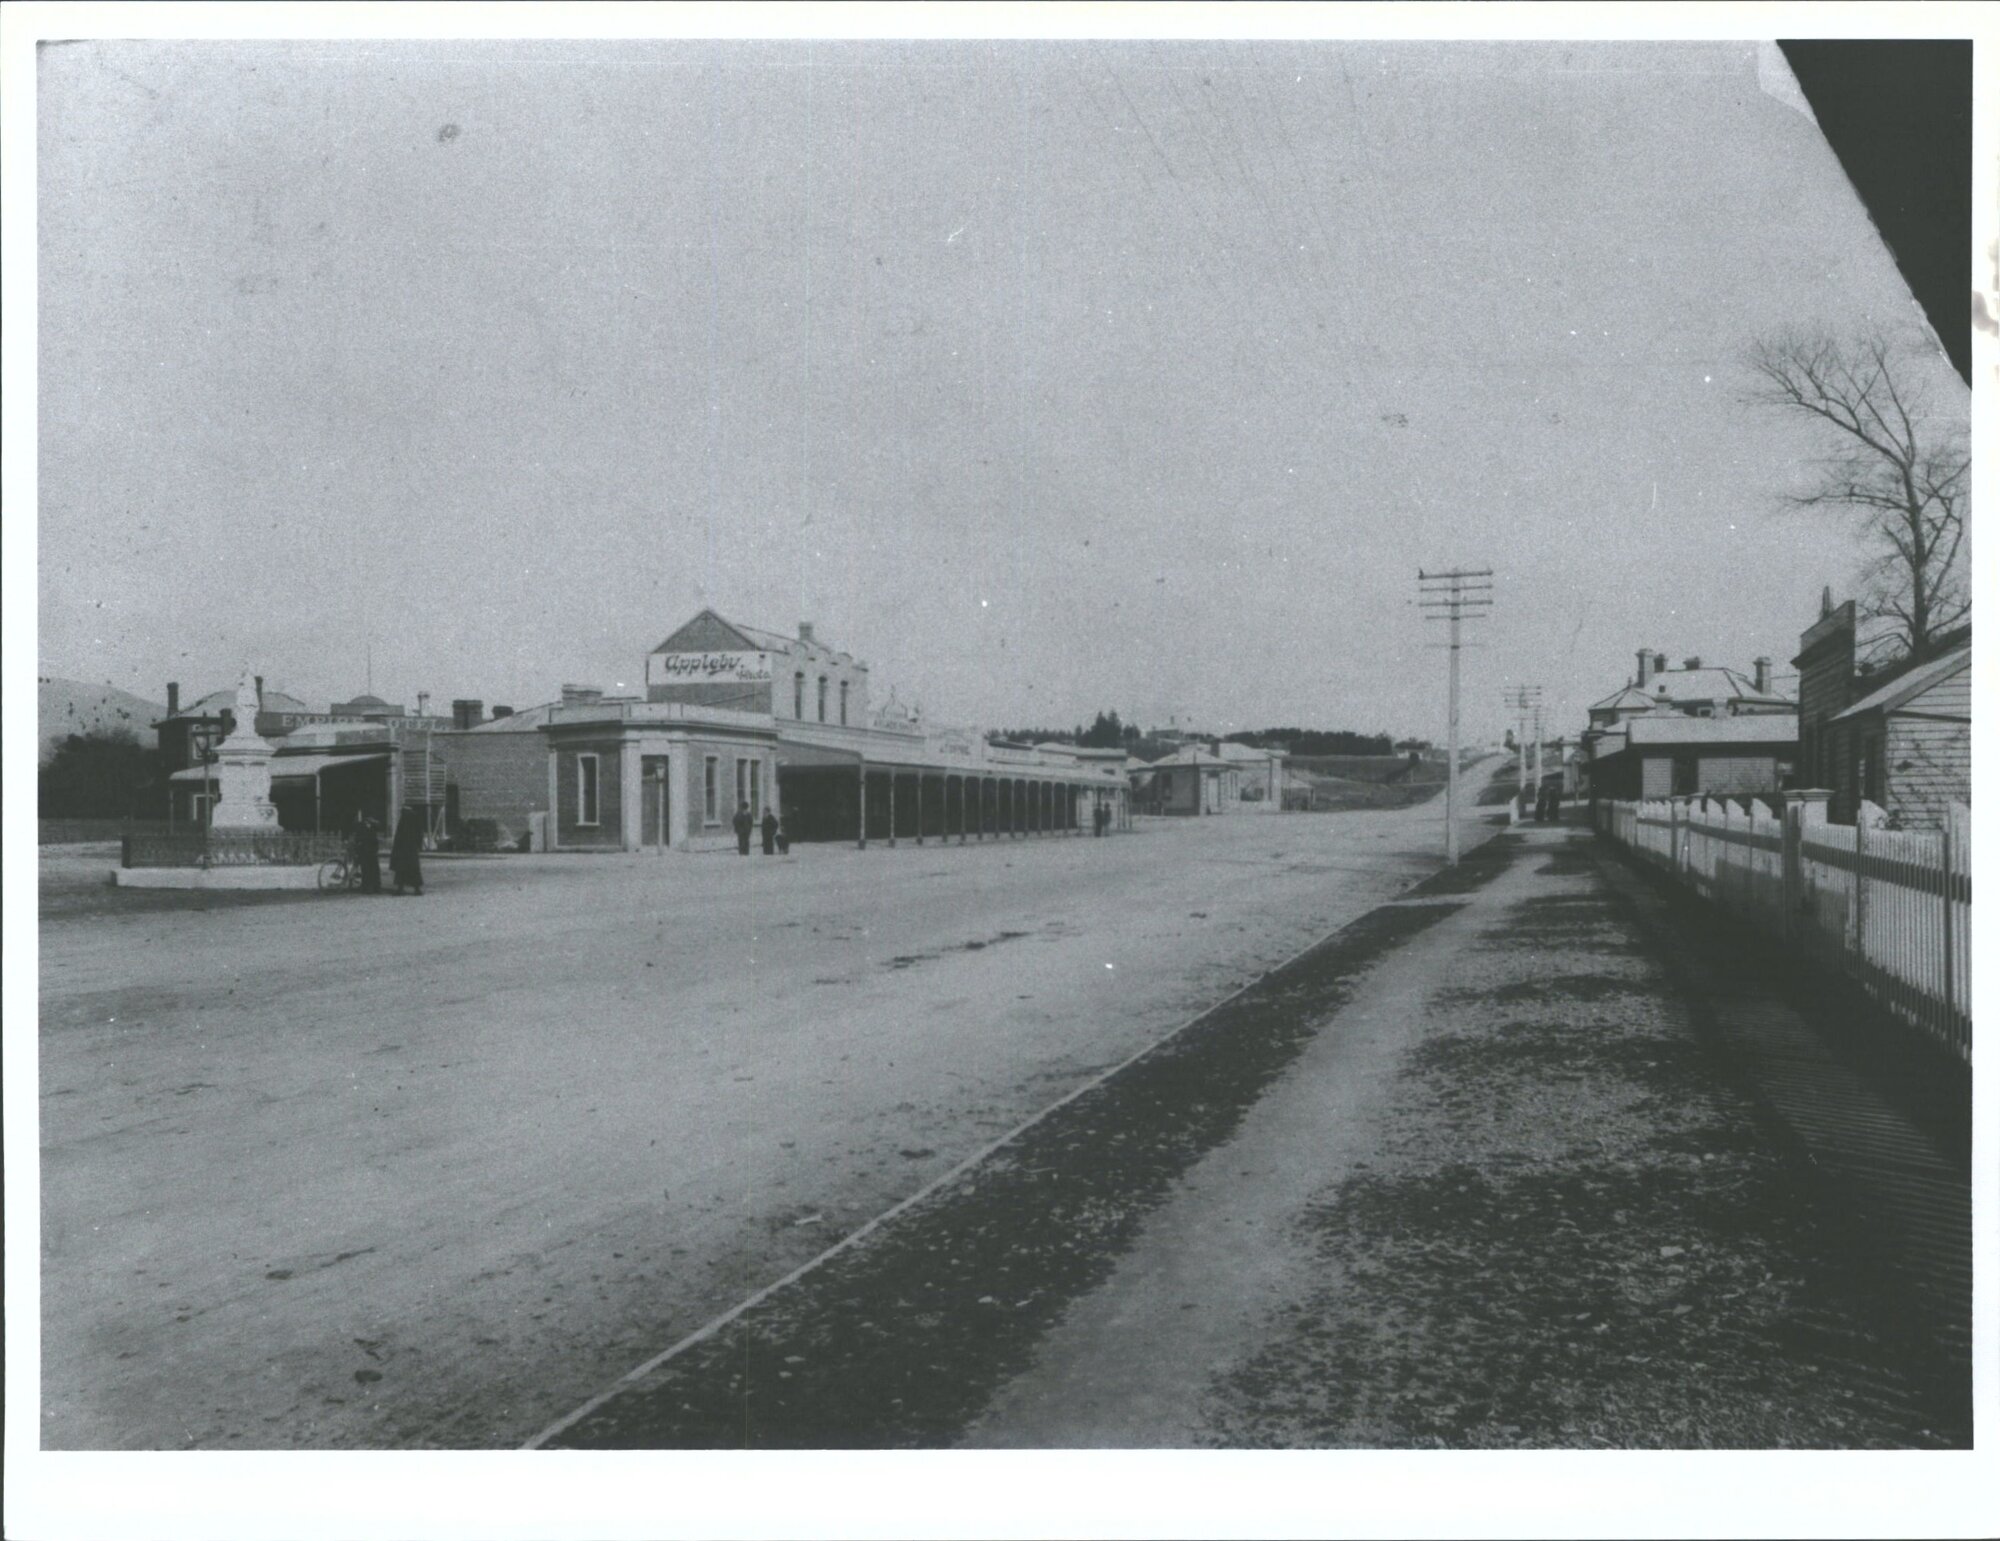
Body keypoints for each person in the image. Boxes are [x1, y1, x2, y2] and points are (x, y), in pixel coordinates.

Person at [389, 808, 426, 896]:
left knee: (401, 870)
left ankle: (401, 889)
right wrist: (419, 846)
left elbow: (398, 838)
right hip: (411, 851)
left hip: (403, 851)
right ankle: (416, 889)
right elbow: (419, 836)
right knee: (413, 870)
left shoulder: (403, 822)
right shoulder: (414, 821)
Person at [352, 814, 382, 895]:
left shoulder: (373, 826)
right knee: (366, 870)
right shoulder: (361, 827)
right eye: (368, 819)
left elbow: (379, 826)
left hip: (372, 851)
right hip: (364, 851)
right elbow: (358, 839)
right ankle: (368, 887)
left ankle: (376, 887)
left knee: (374, 869)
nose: (369, 821)